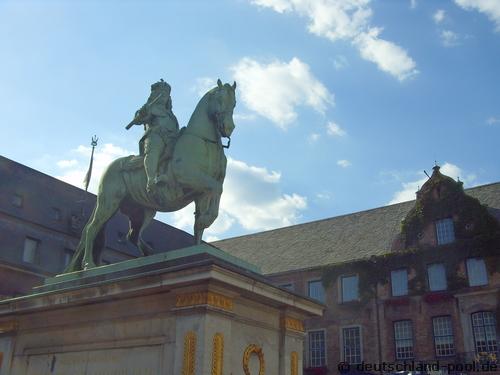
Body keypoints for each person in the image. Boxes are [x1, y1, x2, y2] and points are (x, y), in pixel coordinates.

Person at [128, 79, 179, 192]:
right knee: (154, 149)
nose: (164, 97)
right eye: (161, 94)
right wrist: (141, 114)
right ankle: (151, 180)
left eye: (166, 95)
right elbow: (138, 119)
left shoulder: (171, 115)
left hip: (171, 139)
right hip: (155, 135)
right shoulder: (149, 108)